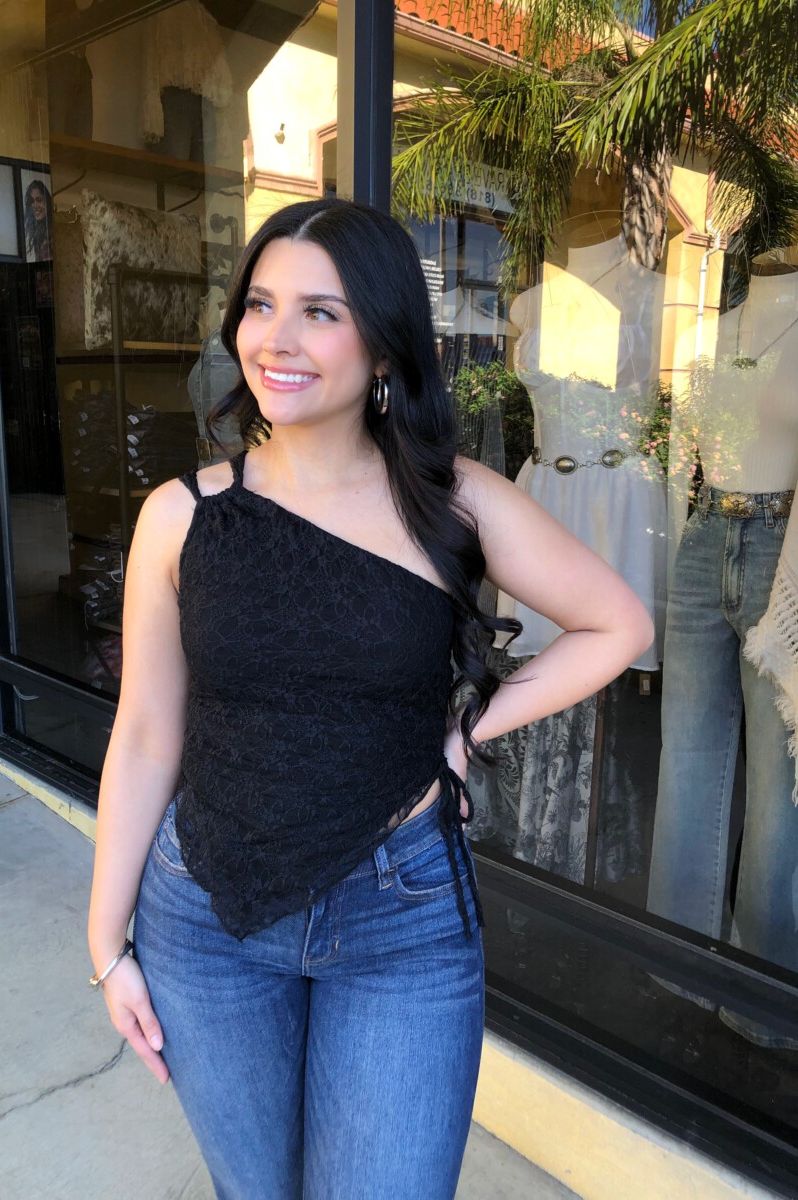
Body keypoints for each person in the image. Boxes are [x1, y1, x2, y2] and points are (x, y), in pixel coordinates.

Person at [87, 198, 653, 1199]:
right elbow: (144, 734)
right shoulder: (181, 517)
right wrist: (106, 941)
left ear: (385, 345)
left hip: (403, 923)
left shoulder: (452, 501)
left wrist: (464, 730)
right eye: (261, 305)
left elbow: (617, 624)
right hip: (206, 918)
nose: (277, 337)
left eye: (321, 312)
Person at [23, 179, 52, 262]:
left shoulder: (51, 230)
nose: (35, 205)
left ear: (47, 202)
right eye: (32, 201)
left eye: (39, 200)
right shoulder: (38, 231)